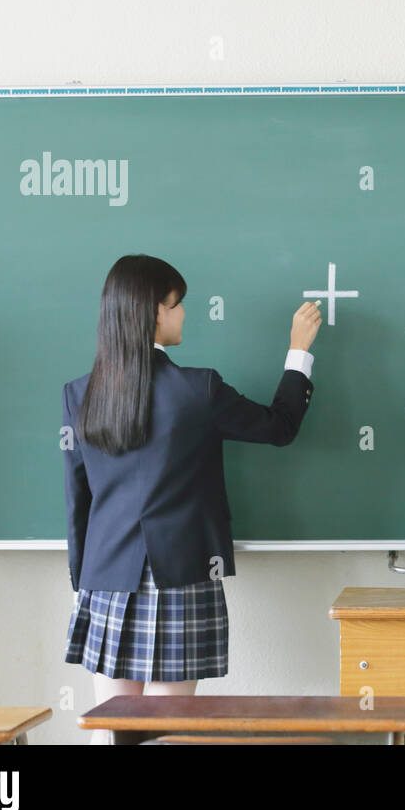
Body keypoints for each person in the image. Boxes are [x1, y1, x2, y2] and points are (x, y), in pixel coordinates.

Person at [61, 254, 320, 738]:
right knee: (166, 734)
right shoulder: (197, 389)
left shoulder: (79, 394)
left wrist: (84, 577)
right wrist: (298, 352)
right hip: (178, 578)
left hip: (105, 577)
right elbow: (279, 427)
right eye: (178, 304)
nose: (184, 315)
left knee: (114, 733)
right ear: (155, 312)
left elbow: (78, 501)